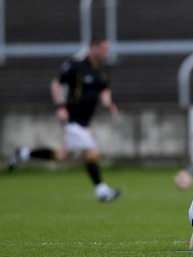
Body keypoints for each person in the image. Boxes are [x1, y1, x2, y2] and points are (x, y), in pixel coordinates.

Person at [7, 37, 121, 202]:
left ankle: (24, 153)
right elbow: (56, 83)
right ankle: (101, 191)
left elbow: (104, 90)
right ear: (93, 47)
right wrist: (60, 106)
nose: (106, 52)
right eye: (103, 48)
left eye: (107, 49)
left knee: (62, 157)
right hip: (72, 118)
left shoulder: (104, 69)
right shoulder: (76, 65)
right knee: (92, 149)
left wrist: (108, 103)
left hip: (85, 120)